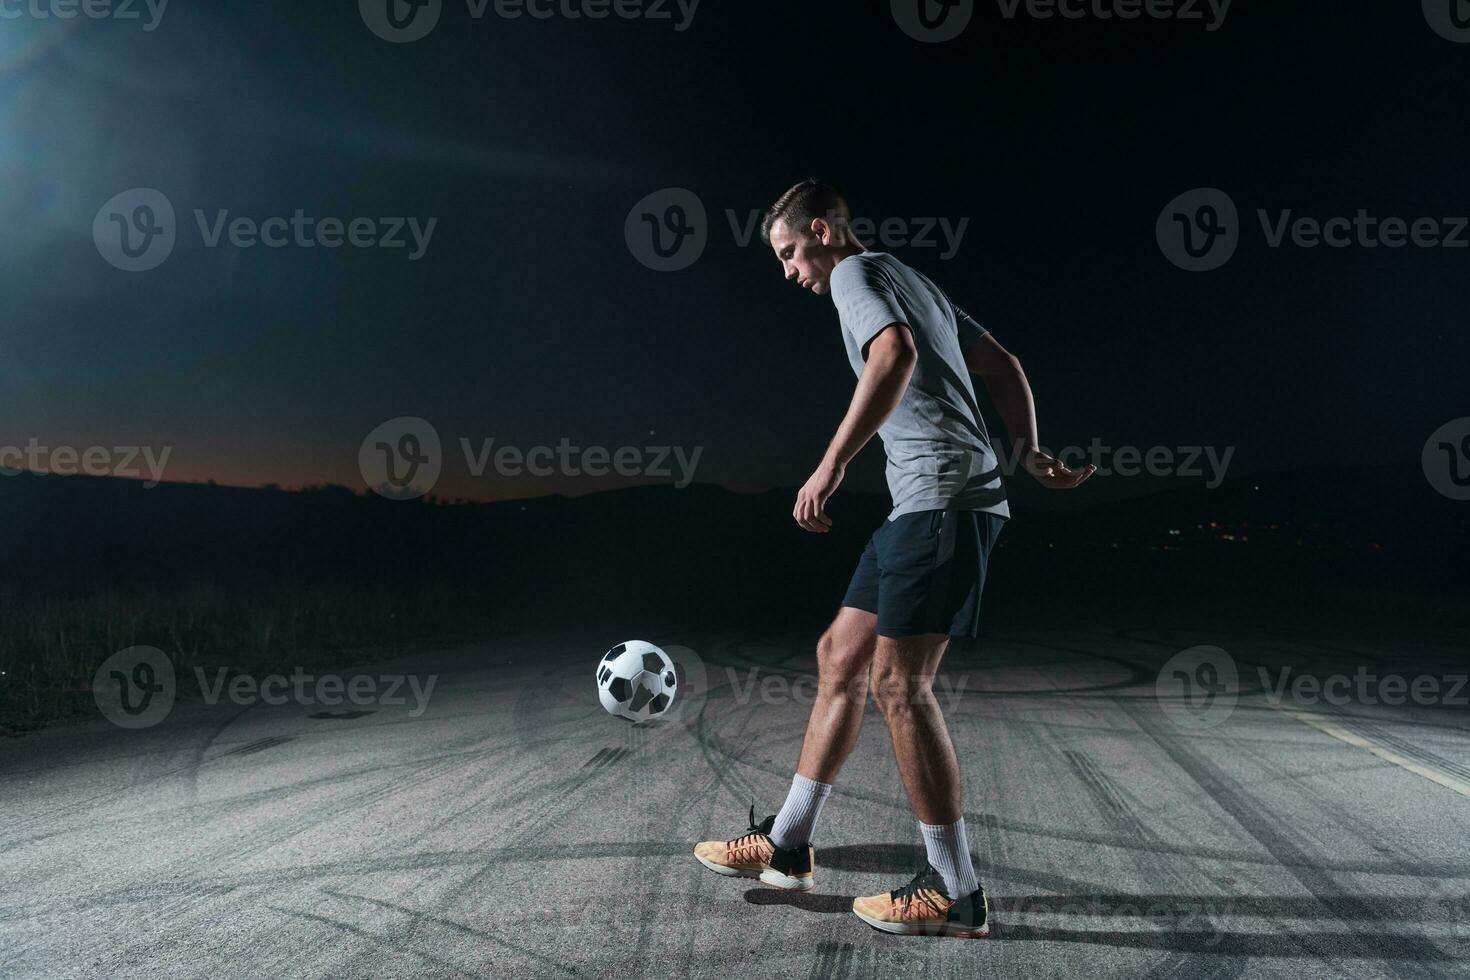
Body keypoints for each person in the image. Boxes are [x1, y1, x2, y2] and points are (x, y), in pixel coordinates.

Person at [692, 178, 1094, 937]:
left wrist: (832, 463)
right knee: (838, 655)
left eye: (788, 253)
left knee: (898, 687)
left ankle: (958, 891)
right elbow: (1002, 362)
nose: (789, 272)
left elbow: (894, 353)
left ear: (820, 230)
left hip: (943, 498)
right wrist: (1030, 450)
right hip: (924, 500)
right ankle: (788, 843)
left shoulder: (854, 273)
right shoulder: (911, 276)